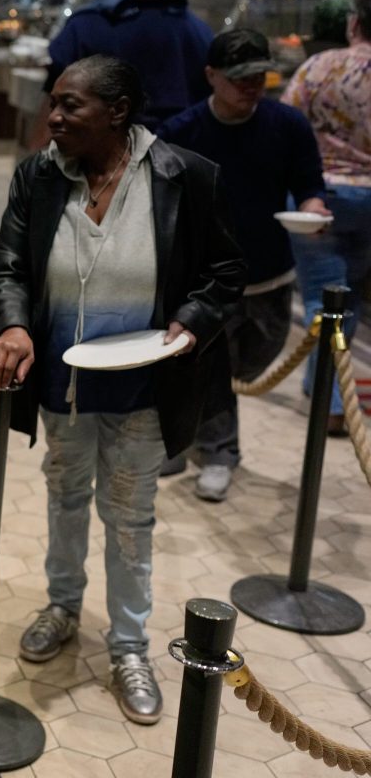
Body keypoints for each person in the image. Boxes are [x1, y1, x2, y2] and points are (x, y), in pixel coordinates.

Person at [0, 55, 244, 726]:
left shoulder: (184, 176)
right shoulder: (40, 176)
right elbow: (5, 264)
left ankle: (129, 645)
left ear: (118, 114)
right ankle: (63, 608)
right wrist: (12, 325)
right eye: (54, 104)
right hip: (63, 386)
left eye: (71, 106)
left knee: (130, 516)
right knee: (64, 495)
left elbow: (223, 274)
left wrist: (191, 323)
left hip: (144, 387)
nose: (53, 117)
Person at [159, 29, 328, 501]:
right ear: (211, 76)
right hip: (205, 281)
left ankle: (187, 433)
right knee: (214, 364)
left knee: (251, 363)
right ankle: (217, 451)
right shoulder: (182, 133)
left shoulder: (287, 125)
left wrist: (314, 208)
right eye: (239, 78)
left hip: (270, 272)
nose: (251, 85)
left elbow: (310, 183)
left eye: (259, 75)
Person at [281, 0, 371, 437]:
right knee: (349, 298)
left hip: (321, 196)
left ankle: (330, 402)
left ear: (354, 22)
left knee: (322, 298)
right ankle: (323, 386)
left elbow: (286, 126)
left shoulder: (320, 68)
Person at [36, 0, 213, 140]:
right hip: (183, 148)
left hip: (109, 152)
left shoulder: (85, 25)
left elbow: (56, 87)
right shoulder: (187, 20)